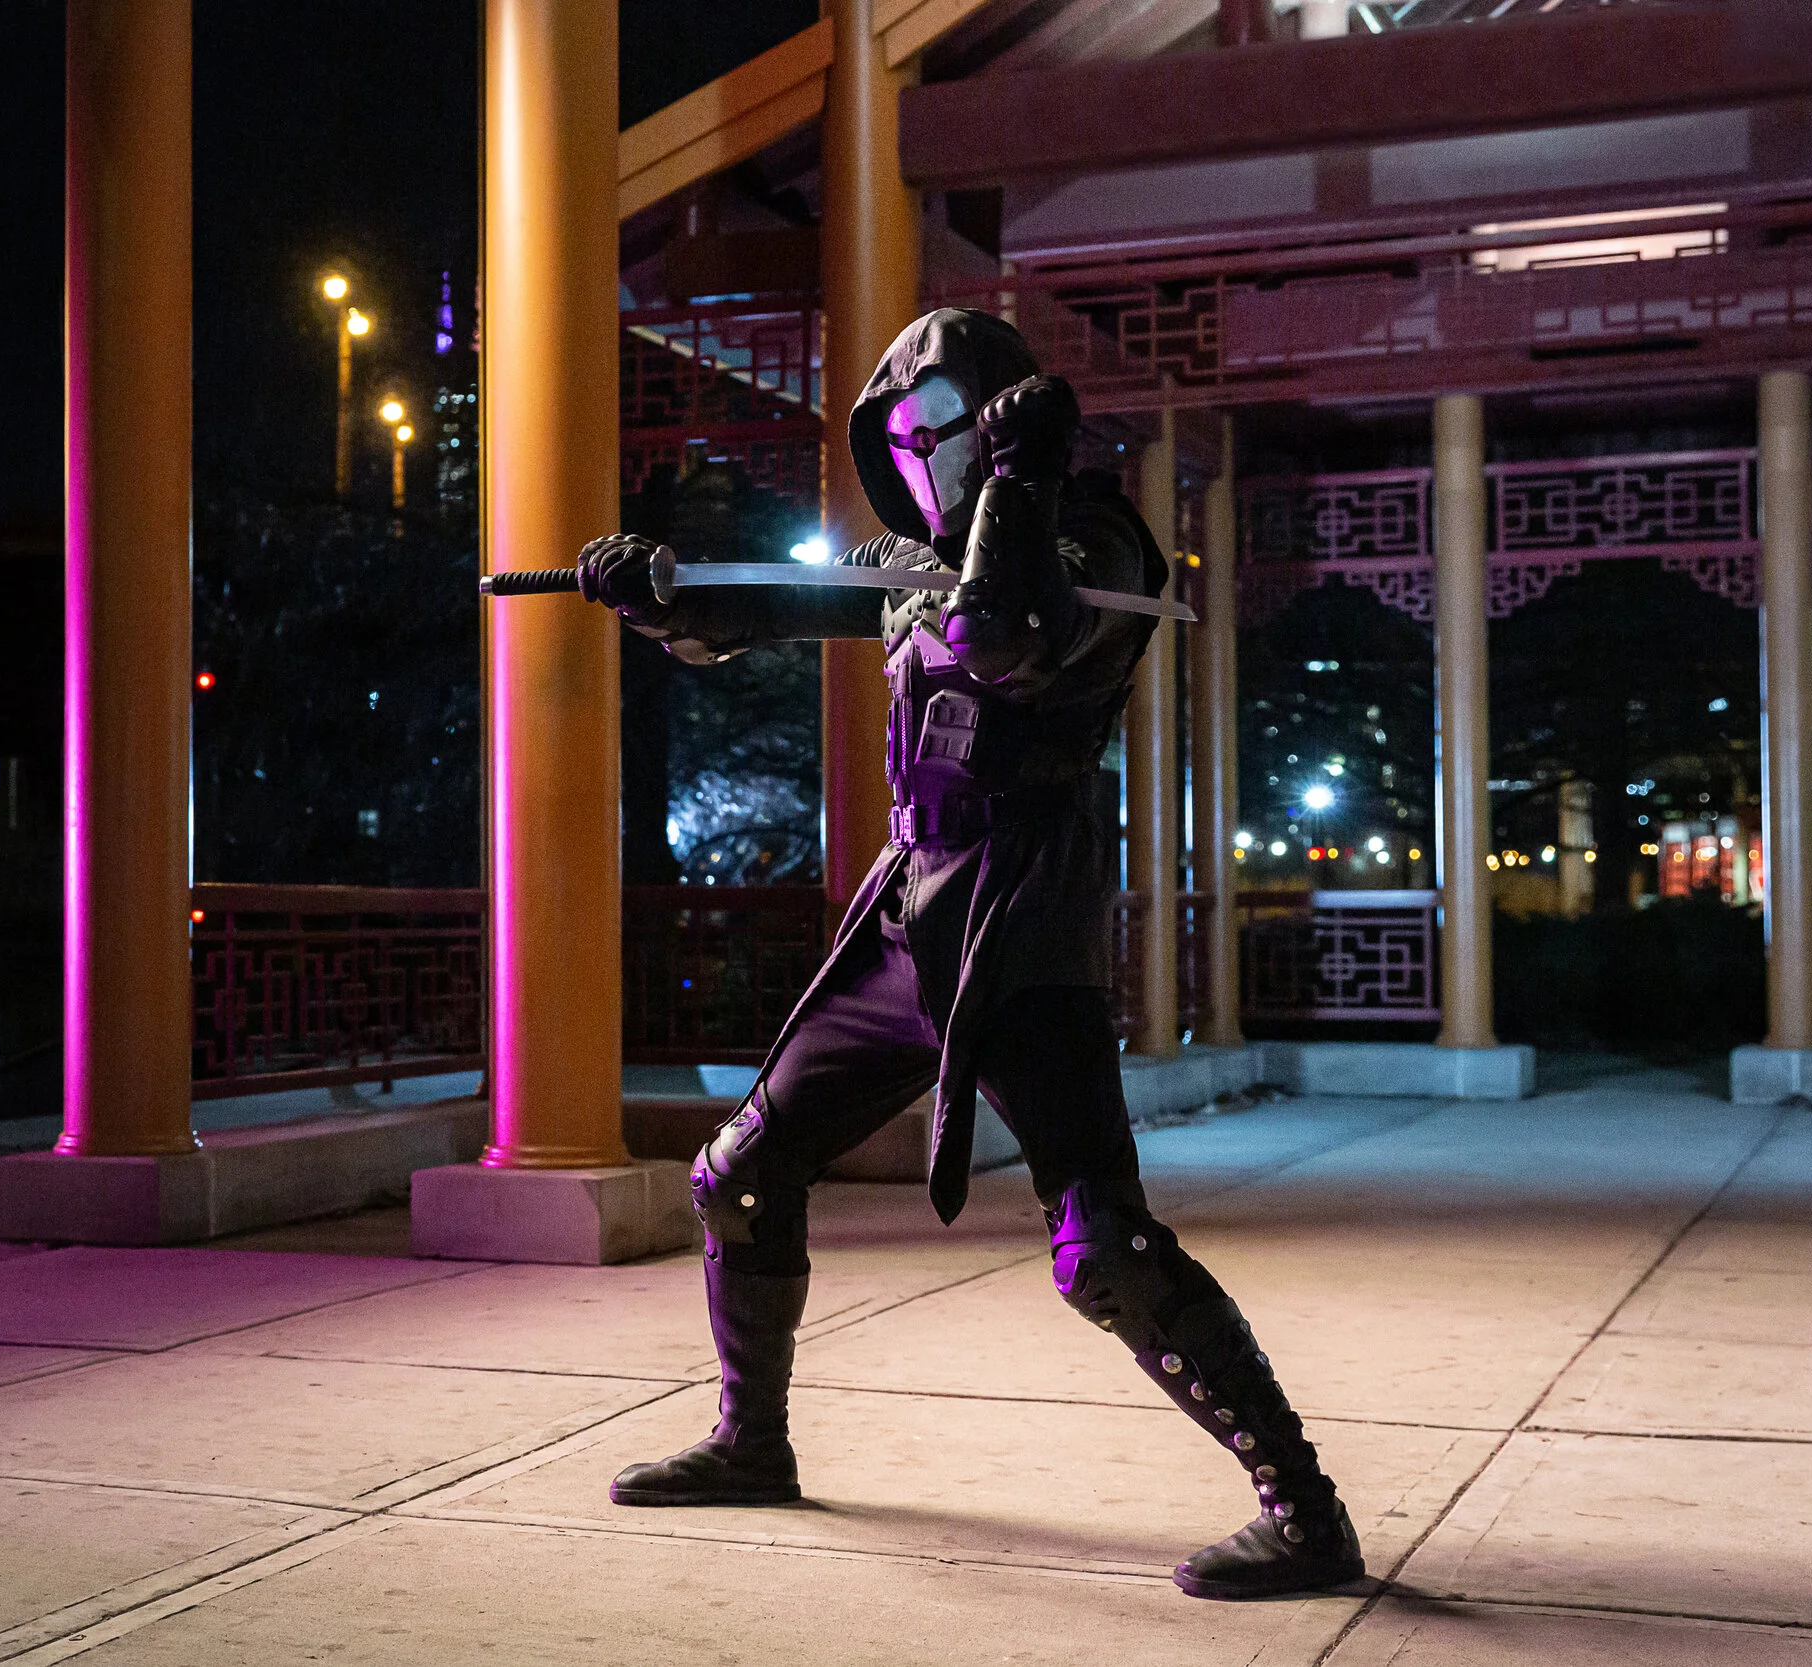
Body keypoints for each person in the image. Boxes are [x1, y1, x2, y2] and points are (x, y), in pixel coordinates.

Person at [570, 308, 1361, 1601]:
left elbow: (1005, 633)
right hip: (909, 918)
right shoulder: (909, 557)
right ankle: (750, 1438)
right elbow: (765, 607)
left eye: (941, 427)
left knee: (1101, 1243)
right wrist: (662, 596)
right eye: (901, 437)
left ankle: (1306, 1507)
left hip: (1025, 920)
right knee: (741, 1174)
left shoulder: (1096, 537)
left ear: (997, 413)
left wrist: (1027, 480)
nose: (922, 456)